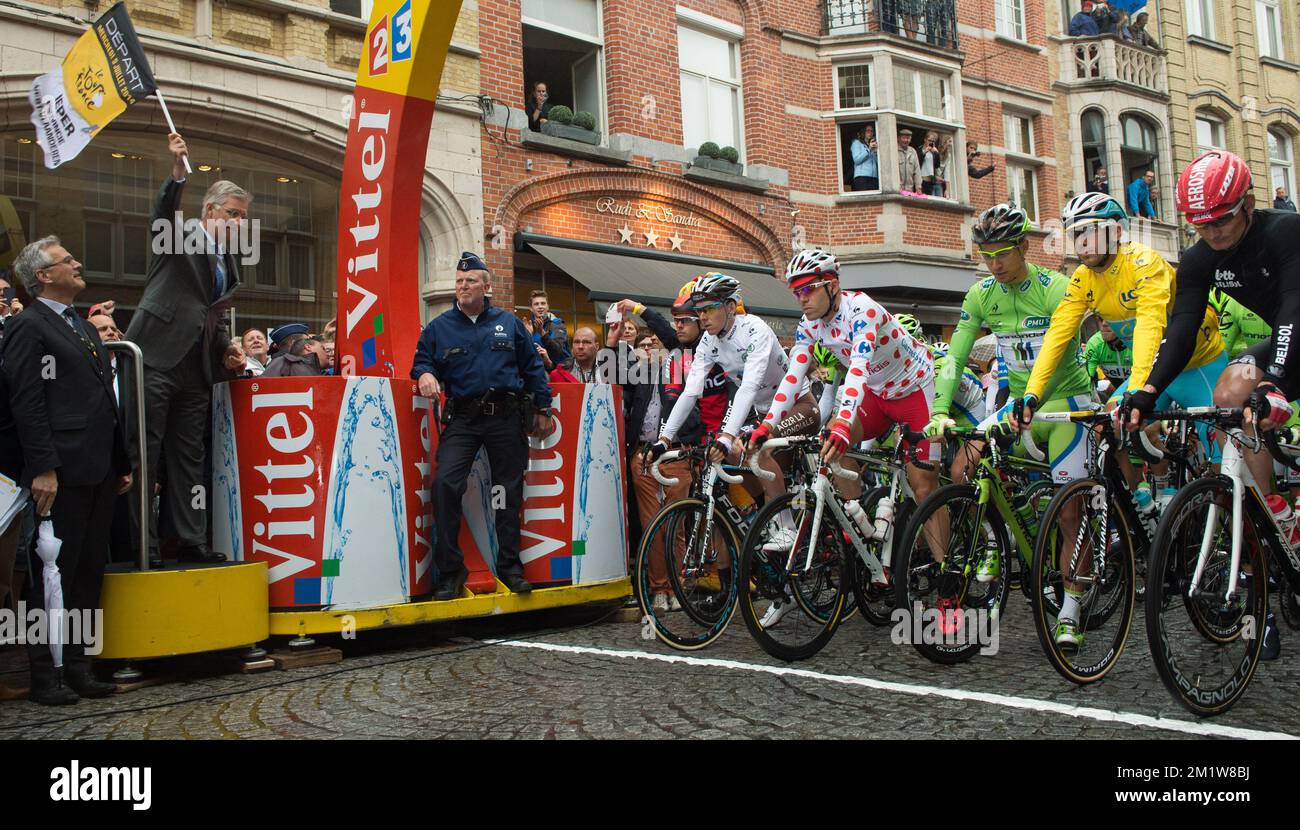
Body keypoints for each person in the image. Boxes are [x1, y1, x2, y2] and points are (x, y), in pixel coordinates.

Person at [1017, 192, 1228, 653]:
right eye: (1076, 233)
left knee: (1221, 471)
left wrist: (1137, 390)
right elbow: (1059, 334)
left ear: (1114, 230)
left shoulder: (1145, 261)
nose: (1081, 241)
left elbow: (1153, 325)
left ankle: (1225, 554)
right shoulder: (1083, 279)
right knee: (1108, 428)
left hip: (1197, 367)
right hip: (1149, 372)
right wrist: (1031, 393)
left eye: (1090, 230)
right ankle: (1145, 507)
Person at [0, 238, 131, 705]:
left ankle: (79, 666)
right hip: (60, 472)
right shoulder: (26, 327)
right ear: (42, 276)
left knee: (87, 572)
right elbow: (27, 403)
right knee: (49, 574)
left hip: (97, 468)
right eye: (66, 261)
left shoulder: (81, 325)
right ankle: (45, 674)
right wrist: (44, 469)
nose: (77, 264)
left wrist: (120, 461)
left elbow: (102, 400)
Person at [928, 204, 1094, 527]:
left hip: (1067, 402)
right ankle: (997, 541)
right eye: (986, 255)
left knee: (1069, 515)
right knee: (963, 466)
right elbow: (956, 356)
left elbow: (1059, 356)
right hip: (1019, 407)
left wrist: (1033, 401)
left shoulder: (1055, 287)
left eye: (1002, 253)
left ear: (1024, 246)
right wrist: (940, 411)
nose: (994, 264)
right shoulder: (981, 294)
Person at [125, 132, 246, 564]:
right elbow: (162, 214)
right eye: (232, 214)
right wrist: (177, 173)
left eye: (242, 217)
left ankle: (189, 539)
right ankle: (145, 545)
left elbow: (208, 313)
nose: (238, 223)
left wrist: (226, 349)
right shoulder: (177, 239)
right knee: (148, 455)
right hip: (155, 358)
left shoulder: (229, 265)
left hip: (197, 370)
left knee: (189, 458)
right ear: (209, 211)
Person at [412, 252, 554, 600]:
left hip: (505, 418)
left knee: (506, 492)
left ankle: (509, 567)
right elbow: (421, 362)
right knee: (445, 485)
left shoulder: (508, 323)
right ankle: (450, 571)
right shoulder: (439, 328)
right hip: (463, 419)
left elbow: (532, 368)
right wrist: (426, 373)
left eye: (470, 281)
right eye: (459, 282)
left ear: (486, 287)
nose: (463, 287)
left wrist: (544, 407)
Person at [1083, 317, 1133, 399]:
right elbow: (1086, 381)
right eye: (1100, 319)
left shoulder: (1135, 341)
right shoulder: (1095, 343)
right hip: (1119, 393)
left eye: (1110, 319)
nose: (1104, 324)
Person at [262, 324, 327, 377]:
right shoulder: (281, 363)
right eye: (306, 340)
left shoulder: (282, 363)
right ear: (294, 343)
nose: (308, 342)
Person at [526, 289, 570, 363]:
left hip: (559, 370)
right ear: (531, 308)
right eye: (536, 304)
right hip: (537, 370)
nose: (540, 307)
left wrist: (542, 333)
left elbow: (557, 351)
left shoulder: (557, 324)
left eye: (543, 303)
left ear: (548, 307)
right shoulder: (527, 327)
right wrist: (527, 336)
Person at [919, 131, 950, 197]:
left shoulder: (933, 152)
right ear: (925, 140)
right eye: (929, 140)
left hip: (931, 181)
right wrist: (924, 152)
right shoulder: (920, 149)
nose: (931, 142)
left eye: (933, 141)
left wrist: (936, 153)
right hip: (921, 180)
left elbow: (937, 165)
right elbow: (918, 162)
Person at [850, 125, 879, 191]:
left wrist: (875, 152)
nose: (870, 133)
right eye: (868, 131)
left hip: (874, 177)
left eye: (872, 131)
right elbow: (857, 160)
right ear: (863, 132)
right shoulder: (856, 143)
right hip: (862, 177)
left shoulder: (872, 145)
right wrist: (869, 150)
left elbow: (878, 163)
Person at [897, 127, 922, 193]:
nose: (906, 140)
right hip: (898, 189)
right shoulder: (894, 150)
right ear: (898, 138)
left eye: (908, 138)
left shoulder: (913, 151)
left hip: (910, 190)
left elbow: (917, 171)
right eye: (904, 138)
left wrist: (918, 186)